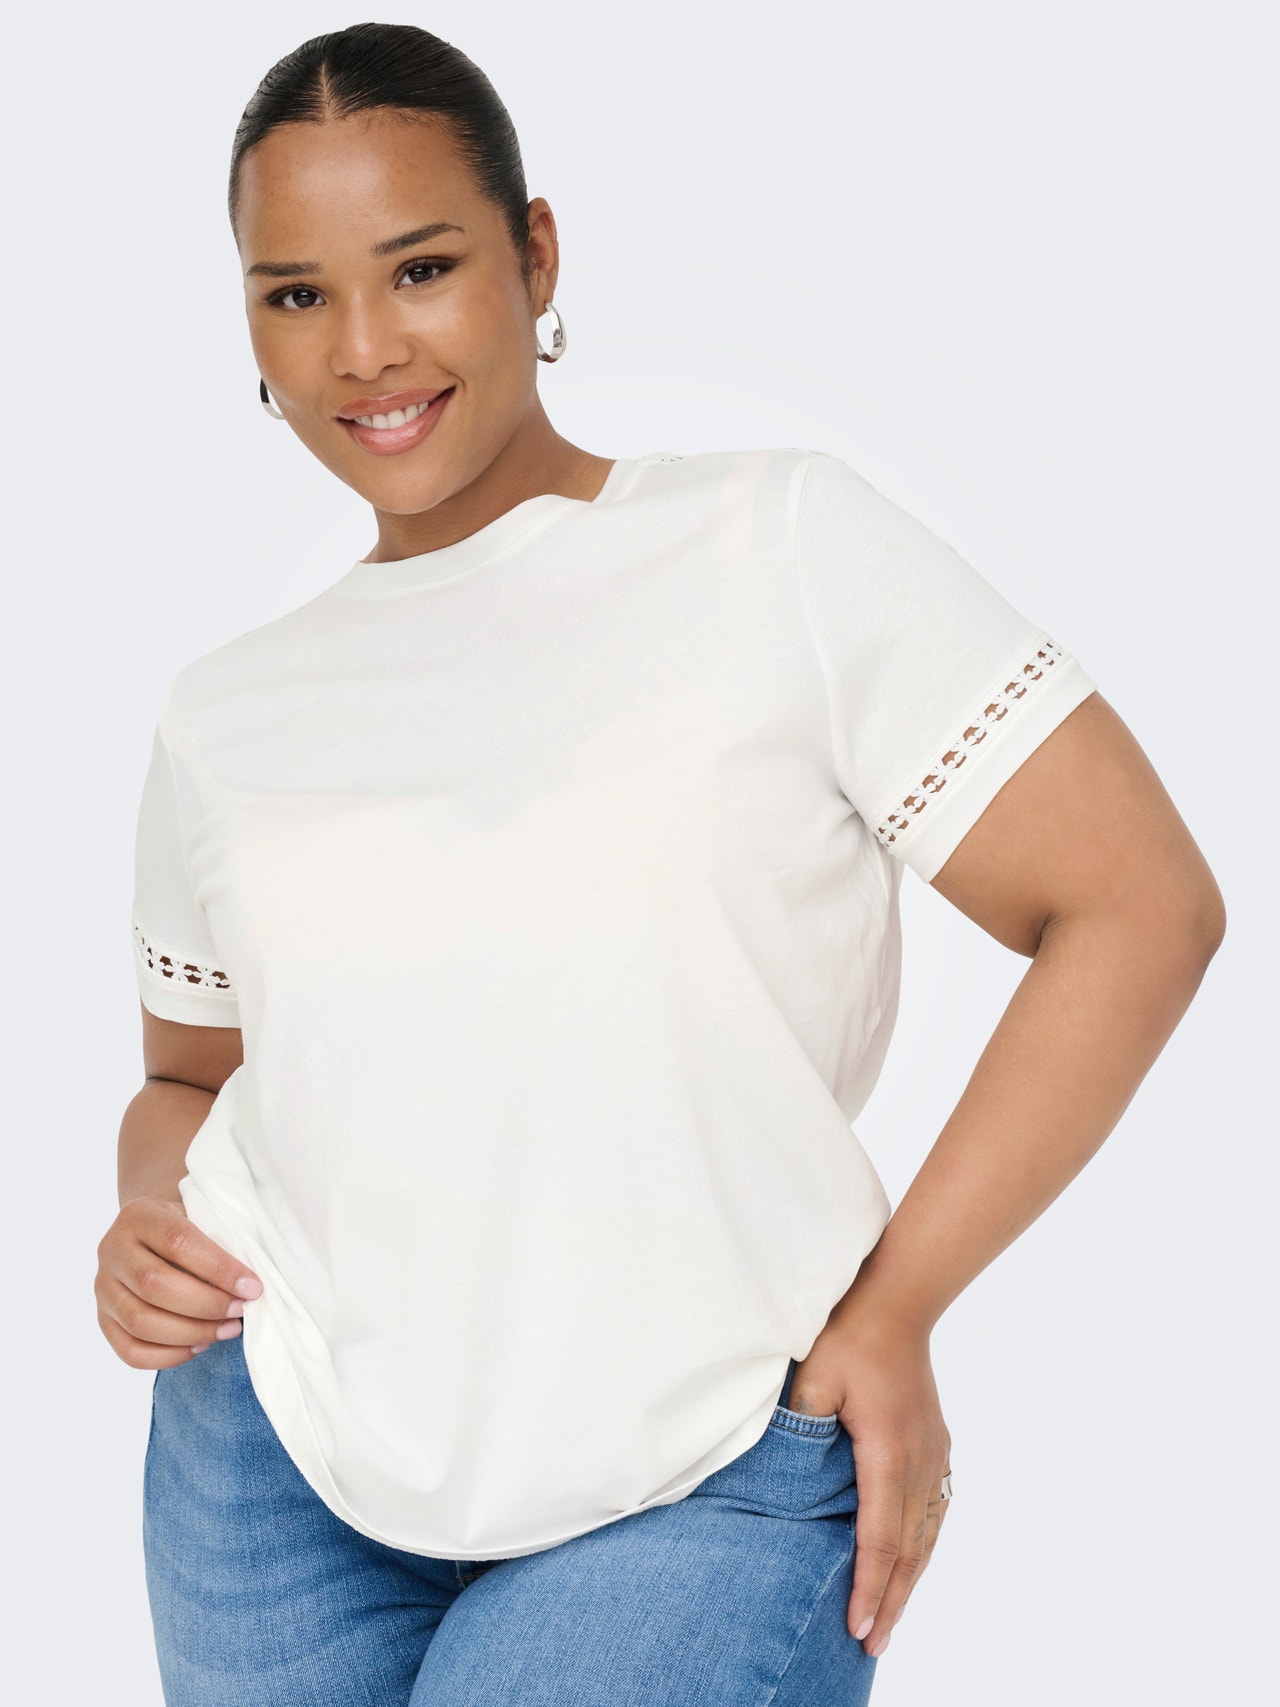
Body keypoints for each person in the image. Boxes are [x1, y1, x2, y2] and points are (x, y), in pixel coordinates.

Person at [93, 21, 1225, 1707]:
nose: (365, 347)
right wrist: (145, 1211)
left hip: (705, 1464)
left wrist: (898, 1309)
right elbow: (193, 1083)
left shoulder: (776, 546)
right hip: (273, 1461)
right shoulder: (224, 713)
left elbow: (1139, 903)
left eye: (420, 268)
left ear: (536, 254)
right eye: (297, 293)